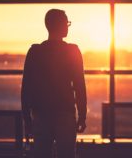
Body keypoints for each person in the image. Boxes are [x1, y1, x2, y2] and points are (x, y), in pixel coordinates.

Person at [21, 9, 87, 158]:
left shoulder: (35, 52)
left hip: (41, 114)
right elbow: (79, 86)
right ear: (60, 25)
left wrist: (27, 119)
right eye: (66, 22)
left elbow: (26, 88)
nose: (68, 26)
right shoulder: (73, 51)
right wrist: (82, 116)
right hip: (65, 113)